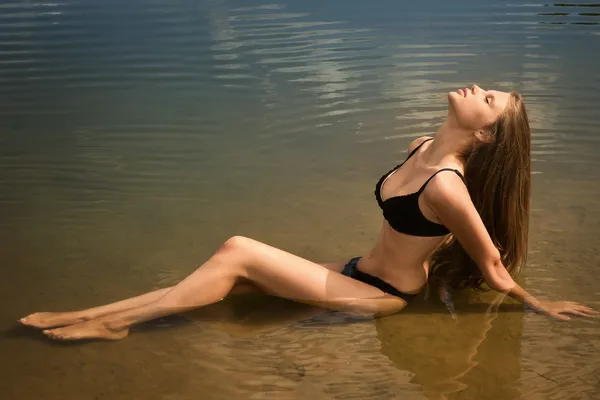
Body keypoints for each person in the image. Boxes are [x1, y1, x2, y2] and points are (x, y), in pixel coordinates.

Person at [19, 84, 597, 341]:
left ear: (488, 135)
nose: (477, 88)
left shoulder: (449, 187)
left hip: (382, 298)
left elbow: (492, 264)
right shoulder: (424, 145)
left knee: (237, 251)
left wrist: (541, 305)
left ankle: (114, 323)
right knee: (224, 279)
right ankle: (93, 311)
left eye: (489, 99)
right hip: (353, 271)